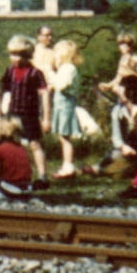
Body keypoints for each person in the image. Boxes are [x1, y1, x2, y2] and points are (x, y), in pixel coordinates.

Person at [0, 34, 52, 188]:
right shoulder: (9, 71)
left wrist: (46, 118)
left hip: (29, 114)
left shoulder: (35, 73)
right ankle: (8, 174)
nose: (16, 58)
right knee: (7, 144)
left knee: (34, 144)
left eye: (20, 55)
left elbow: (44, 95)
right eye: (13, 54)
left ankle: (42, 177)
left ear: (28, 55)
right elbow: (3, 90)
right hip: (12, 113)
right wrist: (1, 113)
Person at [84, 73, 137, 177]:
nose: (117, 90)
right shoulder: (118, 110)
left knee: (121, 172)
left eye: (121, 86)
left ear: (131, 91)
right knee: (115, 155)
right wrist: (123, 147)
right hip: (130, 152)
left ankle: (100, 171)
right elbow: (116, 138)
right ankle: (102, 168)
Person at [97, 32, 137, 157]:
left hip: (132, 92)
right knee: (116, 114)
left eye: (125, 44)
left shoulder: (136, 58)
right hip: (121, 92)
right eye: (121, 44)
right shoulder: (122, 59)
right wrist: (108, 85)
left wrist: (131, 67)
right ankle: (120, 144)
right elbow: (118, 77)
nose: (123, 47)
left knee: (133, 117)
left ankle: (135, 145)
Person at [48, 38, 84, 179]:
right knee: (62, 137)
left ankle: (68, 166)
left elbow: (62, 85)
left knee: (65, 137)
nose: (54, 56)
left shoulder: (69, 68)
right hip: (61, 106)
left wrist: (51, 73)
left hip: (65, 107)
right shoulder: (64, 68)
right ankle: (66, 165)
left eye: (56, 53)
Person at [0, 115, 33, 200]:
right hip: (27, 188)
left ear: (3, 131)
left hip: (11, 189)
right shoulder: (22, 148)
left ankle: (9, 197)